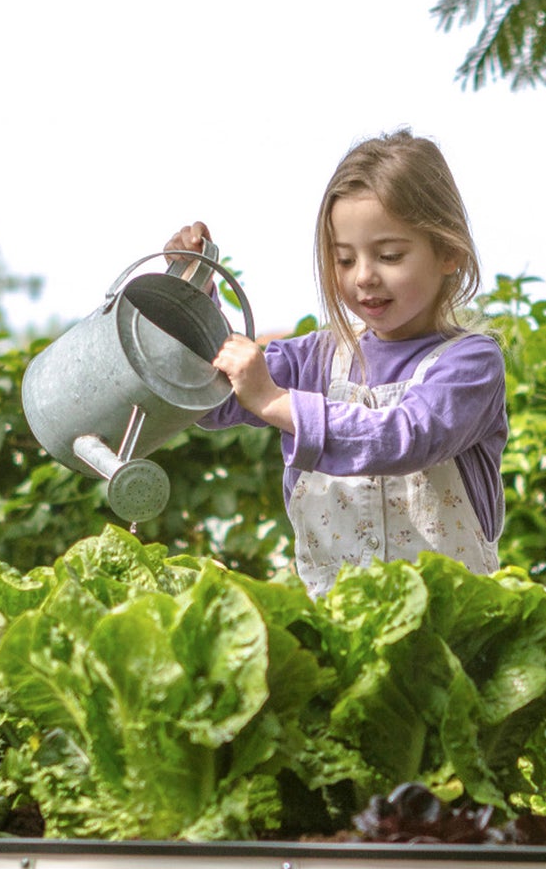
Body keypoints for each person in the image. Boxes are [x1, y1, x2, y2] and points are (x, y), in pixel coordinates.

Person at [164, 129, 507, 597]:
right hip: (336, 629)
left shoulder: (471, 364)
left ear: (449, 252)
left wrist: (275, 401)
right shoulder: (316, 359)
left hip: (451, 633)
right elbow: (212, 397)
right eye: (344, 259)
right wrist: (193, 294)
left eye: (389, 255)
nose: (364, 276)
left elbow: (406, 437)